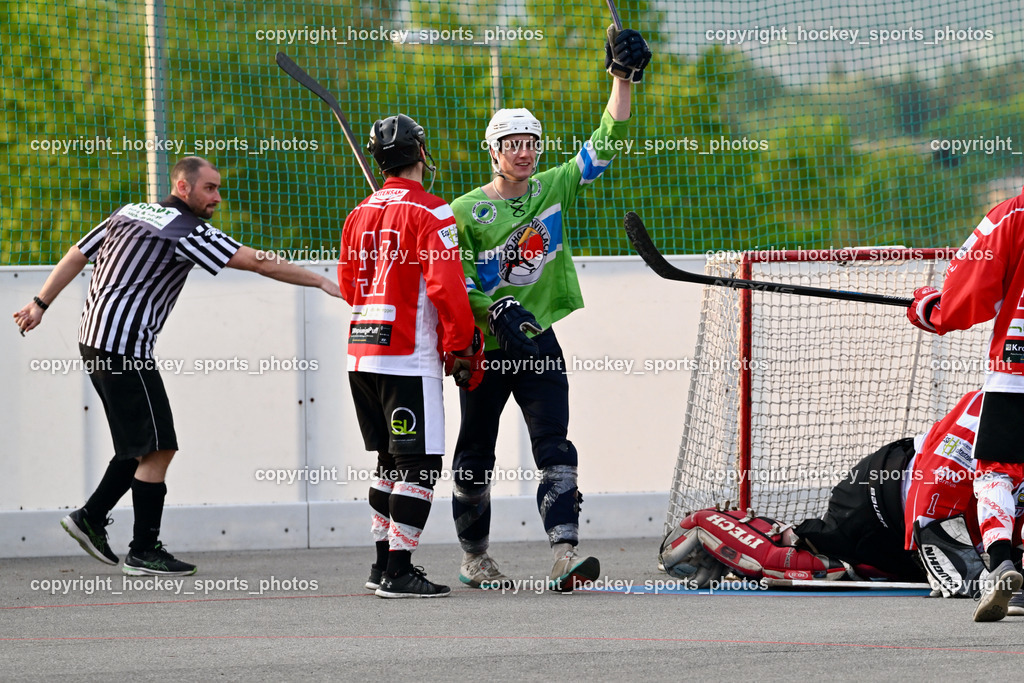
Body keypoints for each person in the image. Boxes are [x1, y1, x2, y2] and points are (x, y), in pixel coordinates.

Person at [13, 156, 342, 576]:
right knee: (158, 446)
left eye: (219, 189)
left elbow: (77, 254)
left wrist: (41, 303)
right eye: (209, 189)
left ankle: (95, 520)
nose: (217, 198)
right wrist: (320, 280)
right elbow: (259, 261)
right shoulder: (186, 230)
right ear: (183, 188)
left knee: (141, 446)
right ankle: (138, 547)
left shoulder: (128, 212)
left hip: (96, 342)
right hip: (123, 349)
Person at [449, 25, 651, 592]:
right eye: (511, 143)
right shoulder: (464, 211)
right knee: (475, 454)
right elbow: (455, 279)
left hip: (539, 343)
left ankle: (565, 553)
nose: (522, 151)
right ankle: (475, 557)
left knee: (556, 447)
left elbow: (607, 137)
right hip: (485, 351)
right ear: (493, 151)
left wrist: (621, 77)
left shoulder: (555, 186)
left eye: (530, 142)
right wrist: (492, 308)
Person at [661, 390, 1024, 604]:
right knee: (811, 567)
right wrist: (931, 539)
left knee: (860, 571)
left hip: (935, 528)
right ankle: (711, 526)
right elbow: (936, 476)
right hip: (881, 498)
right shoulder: (994, 401)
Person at [338, 114, 484, 599]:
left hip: (362, 352)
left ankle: (381, 566)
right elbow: (446, 288)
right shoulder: (433, 212)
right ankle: (400, 570)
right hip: (407, 356)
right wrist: (461, 344)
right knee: (419, 466)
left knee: (388, 463)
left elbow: (346, 285)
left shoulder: (358, 213)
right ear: (421, 152)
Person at [908, 187, 1024, 621]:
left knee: (997, 472)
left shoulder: (1014, 212)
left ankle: (1003, 561)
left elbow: (968, 294)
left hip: (1017, 369)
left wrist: (929, 308)